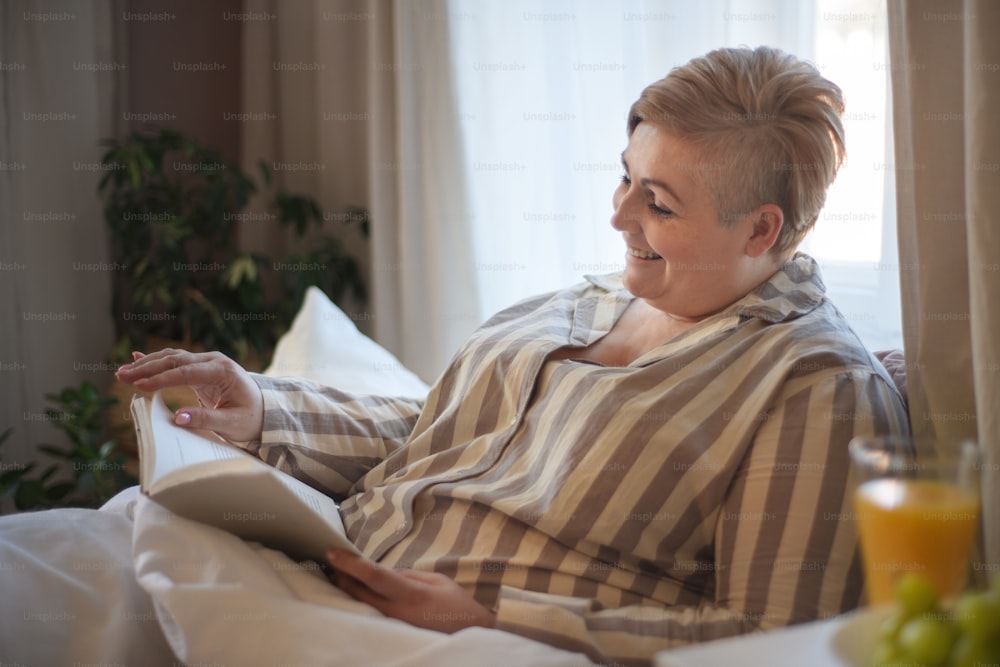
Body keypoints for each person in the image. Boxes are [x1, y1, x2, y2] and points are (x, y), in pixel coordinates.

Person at [18, 46, 910, 666]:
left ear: (763, 229)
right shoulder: (591, 298)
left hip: (446, 641)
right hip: (317, 558)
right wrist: (261, 408)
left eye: (660, 203)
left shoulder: (815, 390)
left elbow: (775, 639)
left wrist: (497, 617)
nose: (618, 215)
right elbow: (436, 429)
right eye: (624, 175)